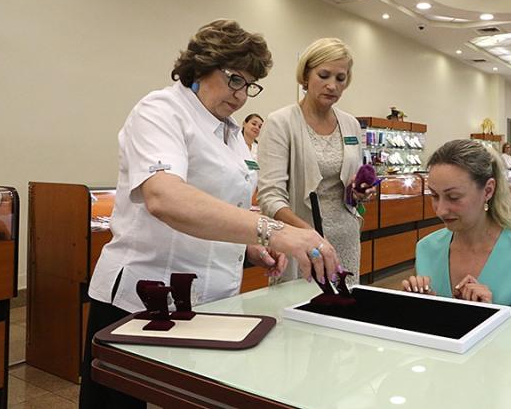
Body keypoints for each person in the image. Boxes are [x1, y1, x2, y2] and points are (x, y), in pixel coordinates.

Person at [80, 20, 339, 409]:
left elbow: (223, 204)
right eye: (235, 80)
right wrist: (273, 231)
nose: (241, 96)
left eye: (249, 85)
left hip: (209, 301)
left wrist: (250, 246)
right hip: (142, 298)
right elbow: (165, 197)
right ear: (201, 67)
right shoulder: (160, 110)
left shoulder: (230, 131)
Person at [257, 38, 375, 286]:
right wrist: (309, 235)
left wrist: (358, 193)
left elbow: (349, 186)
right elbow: (270, 197)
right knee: (303, 303)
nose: (332, 85)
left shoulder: (351, 125)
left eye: (340, 78)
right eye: (324, 75)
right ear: (305, 76)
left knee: (344, 304)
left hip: (345, 239)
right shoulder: (280, 123)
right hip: (300, 242)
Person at [401, 139, 511, 312]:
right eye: (434, 196)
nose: (440, 210)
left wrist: (492, 315)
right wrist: (418, 307)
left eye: (454, 197)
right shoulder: (426, 249)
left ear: (488, 190)